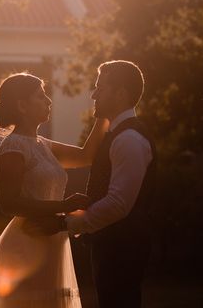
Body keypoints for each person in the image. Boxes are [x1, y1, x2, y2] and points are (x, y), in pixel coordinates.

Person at [0, 72, 108, 308]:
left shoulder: (43, 145)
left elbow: (86, 155)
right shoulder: (13, 146)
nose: (48, 101)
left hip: (53, 240)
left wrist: (103, 114)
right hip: (26, 242)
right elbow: (9, 203)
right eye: (40, 96)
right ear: (22, 105)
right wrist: (64, 206)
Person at [29, 60, 156, 308]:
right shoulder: (118, 136)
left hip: (123, 247)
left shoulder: (129, 139)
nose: (94, 94)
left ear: (121, 94)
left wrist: (64, 222)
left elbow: (118, 204)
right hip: (112, 244)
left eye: (101, 88)